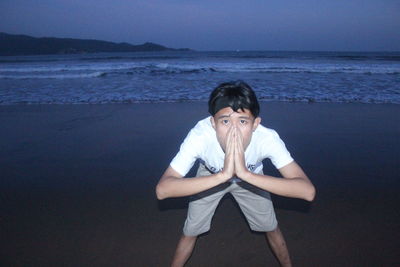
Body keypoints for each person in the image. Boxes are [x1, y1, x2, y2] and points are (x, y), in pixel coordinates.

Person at [156, 81, 315, 267]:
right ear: (212, 123)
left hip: (253, 178)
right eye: (224, 121)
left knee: (270, 227)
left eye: (242, 121)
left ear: (255, 124)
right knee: (190, 231)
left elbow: (307, 191)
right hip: (209, 175)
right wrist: (223, 175)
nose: (234, 131)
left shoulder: (267, 139)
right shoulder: (200, 136)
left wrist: (246, 175)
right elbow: (163, 190)